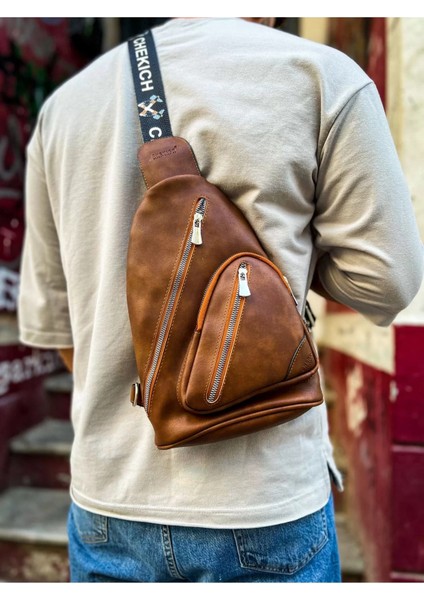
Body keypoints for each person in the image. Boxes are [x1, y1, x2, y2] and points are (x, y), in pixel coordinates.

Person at [18, 17, 423, 583]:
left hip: (110, 502)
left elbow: (56, 330)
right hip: (265, 502)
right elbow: (388, 283)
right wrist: (283, 274)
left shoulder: (63, 108)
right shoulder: (321, 77)